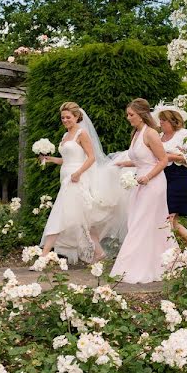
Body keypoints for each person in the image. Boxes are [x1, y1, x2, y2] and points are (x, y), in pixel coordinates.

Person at [111, 98, 177, 284]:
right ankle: (158, 263)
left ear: (141, 115)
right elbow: (143, 159)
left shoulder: (151, 134)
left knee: (142, 223)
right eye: (128, 115)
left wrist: (148, 177)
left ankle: (132, 268)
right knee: (139, 222)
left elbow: (162, 160)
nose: (128, 118)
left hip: (153, 184)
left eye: (131, 114)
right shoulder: (136, 133)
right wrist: (126, 163)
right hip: (140, 182)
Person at [38, 102, 109, 265]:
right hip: (66, 177)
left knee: (60, 214)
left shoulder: (82, 133)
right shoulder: (65, 136)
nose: (65, 120)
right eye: (62, 117)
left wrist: (78, 173)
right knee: (80, 217)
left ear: (77, 117)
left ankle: (43, 256)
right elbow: (67, 159)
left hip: (77, 179)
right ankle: (99, 252)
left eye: (68, 117)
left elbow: (91, 157)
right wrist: (50, 159)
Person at [153, 102, 187, 249]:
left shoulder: (184, 134)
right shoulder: (159, 136)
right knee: (166, 219)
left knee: (170, 219)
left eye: (163, 119)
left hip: (180, 177)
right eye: (160, 119)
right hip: (162, 177)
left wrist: (172, 157)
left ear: (173, 120)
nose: (160, 122)